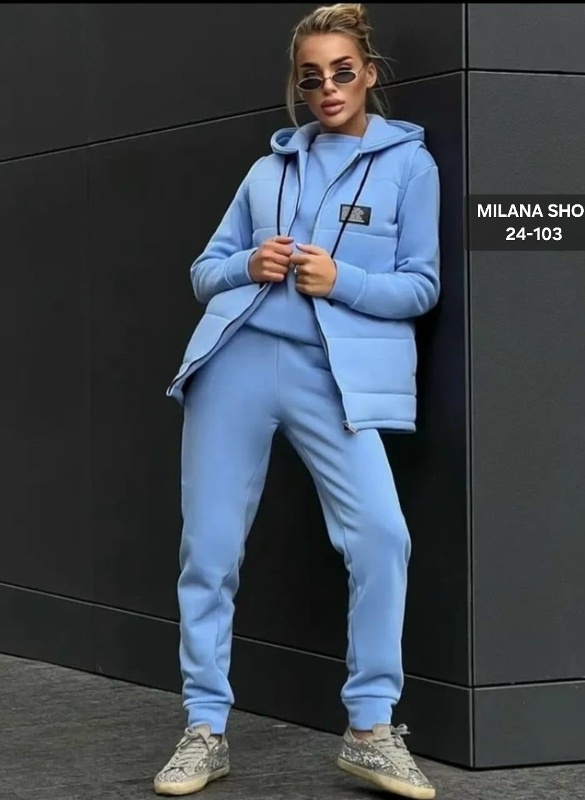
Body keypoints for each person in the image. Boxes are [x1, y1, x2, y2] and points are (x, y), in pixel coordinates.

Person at [154, 2, 441, 798]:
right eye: (311, 78)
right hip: (234, 364)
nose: (328, 89)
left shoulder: (410, 167)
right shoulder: (266, 172)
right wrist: (249, 264)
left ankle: (371, 729)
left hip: (333, 375)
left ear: (369, 74)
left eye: (342, 72)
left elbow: (422, 285)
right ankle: (203, 729)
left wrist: (341, 280)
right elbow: (204, 272)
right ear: (298, 86)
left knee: (382, 536)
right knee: (209, 552)